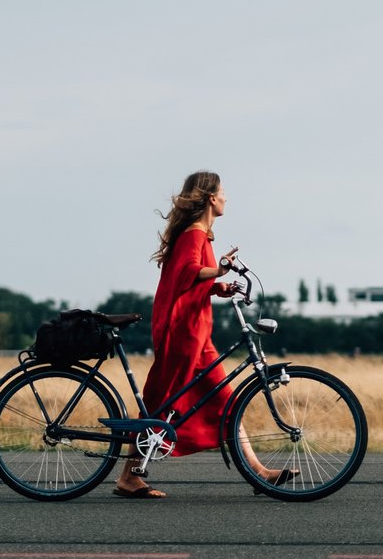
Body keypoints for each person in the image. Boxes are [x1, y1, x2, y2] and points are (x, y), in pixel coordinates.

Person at [114, 170, 283, 499]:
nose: (226, 197)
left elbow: (192, 281)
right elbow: (187, 273)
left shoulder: (200, 236)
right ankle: (129, 476)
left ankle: (260, 473)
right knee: (161, 404)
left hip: (197, 335)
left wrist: (220, 286)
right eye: (222, 192)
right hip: (183, 334)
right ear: (210, 198)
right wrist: (218, 271)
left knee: (225, 402)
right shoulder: (194, 234)